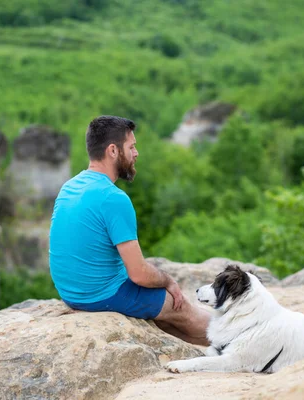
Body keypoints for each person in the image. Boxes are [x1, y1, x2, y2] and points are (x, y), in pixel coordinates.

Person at [49, 115, 210, 346]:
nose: (136, 153)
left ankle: (216, 345)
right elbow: (139, 274)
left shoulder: (70, 186)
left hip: (71, 293)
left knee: (163, 317)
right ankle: (243, 337)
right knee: (179, 305)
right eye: (131, 147)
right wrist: (168, 282)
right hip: (100, 296)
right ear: (113, 151)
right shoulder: (113, 198)